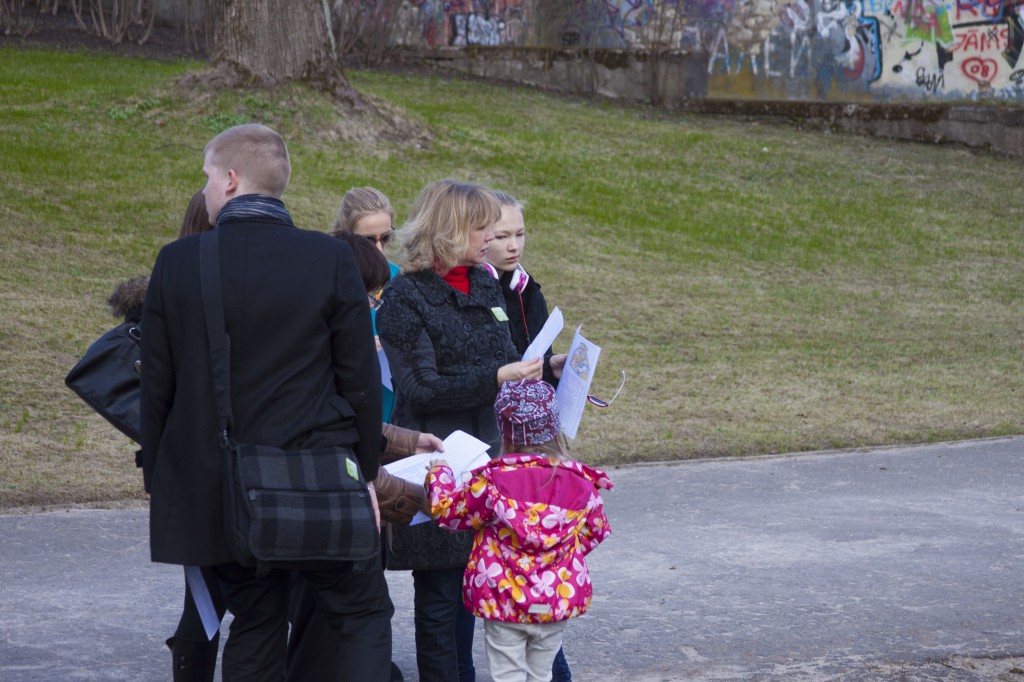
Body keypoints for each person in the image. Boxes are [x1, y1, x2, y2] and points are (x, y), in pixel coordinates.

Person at [140, 123, 391, 681]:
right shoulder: (330, 259)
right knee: (361, 615)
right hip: (321, 481)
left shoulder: (179, 261)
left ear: (230, 180)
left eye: (207, 176)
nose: (204, 189)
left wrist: (159, 476)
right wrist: (367, 474)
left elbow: (157, 385)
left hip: (224, 489)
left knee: (256, 619)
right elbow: (359, 379)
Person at [376, 179, 543, 682]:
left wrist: (546, 368)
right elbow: (420, 388)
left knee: (477, 586)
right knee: (439, 596)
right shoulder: (405, 296)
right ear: (449, 229)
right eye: (481, 227)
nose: (491, 235)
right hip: (437, 460)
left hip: (489, 458)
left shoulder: (485, 283)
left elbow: (505, 357)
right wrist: (497, 377)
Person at [284, 229, 443, 682]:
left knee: (312, 620)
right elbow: (347, 452)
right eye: (371, 296)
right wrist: (423, 498)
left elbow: (350, 426)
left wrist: (408, 442)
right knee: (365, 616)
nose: (374, 307)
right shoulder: (341, 348)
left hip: (290, 509)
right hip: (330, 510)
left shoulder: (294, 340)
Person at [425, 379, 613, 682]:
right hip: (555, 598)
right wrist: (555, 553)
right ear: (554, 428)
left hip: (503, 599)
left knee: (507, 676)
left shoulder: (492, 482)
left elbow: (448, 513)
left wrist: (439, 472)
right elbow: (594, 531)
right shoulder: (580, 483)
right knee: (540, 675)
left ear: (505, 432)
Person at [482, 190, 571, 680]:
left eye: (520, 234)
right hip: (494, 437)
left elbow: (536, 350)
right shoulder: (478, 290)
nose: (513, 245)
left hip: (532, 440)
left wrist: (554, 366)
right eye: (502, 236)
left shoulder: (526, 287)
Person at [332, 187, 402, 422]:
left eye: (386, 238)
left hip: (389, 407)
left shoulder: (398, 278)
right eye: (369, 240)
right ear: (345, 235)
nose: (379, 249)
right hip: (340, 408)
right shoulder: (327, 278)